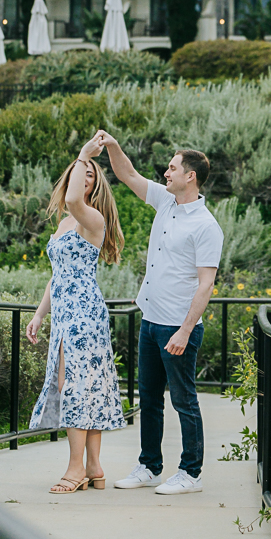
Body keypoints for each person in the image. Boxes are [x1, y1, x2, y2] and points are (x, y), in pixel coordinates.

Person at [96, 134, 223, 494]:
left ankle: (191, 473)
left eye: (172, 167)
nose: (166, 172)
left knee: (184, 401)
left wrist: (184, 331)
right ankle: (149, 466)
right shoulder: (165, 202)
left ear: (191, 177)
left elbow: (206, 285)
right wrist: (112, 146)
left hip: (177, 328)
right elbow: (128, 175)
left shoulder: (206, 226)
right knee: (148, 399)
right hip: (151, 320)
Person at [26, 135, 126, 493]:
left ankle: (75, 469)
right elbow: (58, 276)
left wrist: (85, 154)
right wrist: (39, 315)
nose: (83, 179)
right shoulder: (65, 224)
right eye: (78, 173)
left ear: (95, 186)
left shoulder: (90, 217)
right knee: (84, 387)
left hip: (84, 312)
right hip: (66, 312)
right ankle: (95, 467)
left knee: (77, 388)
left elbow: (71, 199)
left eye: (89, 176)